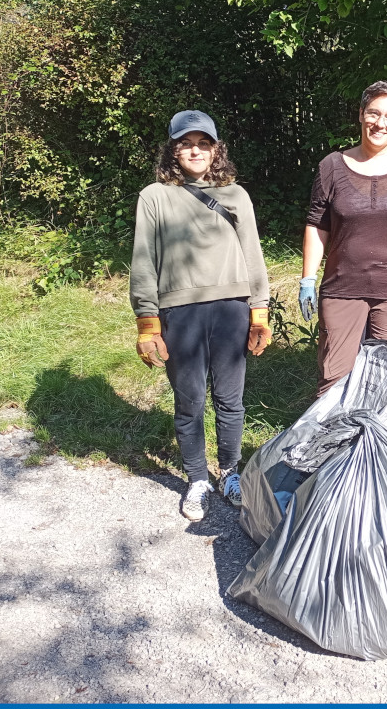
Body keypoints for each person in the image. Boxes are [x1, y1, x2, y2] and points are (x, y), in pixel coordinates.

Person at [129, 110, 272, 522]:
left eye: (203, 143)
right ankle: (196, 480)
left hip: (231, 310)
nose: (195, 151)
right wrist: (147, 324)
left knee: (230, 400)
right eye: (186, 144)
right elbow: (143, 261)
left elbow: (253, 254)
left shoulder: (235, 195)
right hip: (180, 312)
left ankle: (229, 473)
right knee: (189, 401)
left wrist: (259, 313)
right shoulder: (154, 197)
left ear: (215, 150)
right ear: (173, 151)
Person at [299, 80, 387, 397]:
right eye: (374, 113)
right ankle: (334, 432)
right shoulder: (331, 167)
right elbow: (317, 225)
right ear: (361, 114)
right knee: (334, 382)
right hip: (342, 288)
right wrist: (307, 279)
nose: (380, 123)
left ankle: (381, 433)